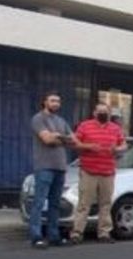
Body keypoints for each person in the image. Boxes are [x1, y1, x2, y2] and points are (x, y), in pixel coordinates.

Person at [28, 92, 86, 248]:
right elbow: (47, 140)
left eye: (58, 101)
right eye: (52, 101)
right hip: (44, 166)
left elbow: (74, 141)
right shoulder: (38, 119)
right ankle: (36, 236)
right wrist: (63, 138)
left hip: (60, 167)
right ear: (44, 102)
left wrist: (58, 137)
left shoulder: (61, 121)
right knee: (39, 202)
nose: (56, 103)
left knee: (55, 204)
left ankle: (54, 236)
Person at [70, 103, 127, 244]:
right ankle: (77, 233)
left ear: (109, 114)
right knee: (84, 203)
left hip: (107, 171)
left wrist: (118, 149)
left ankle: (104, 233)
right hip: (89, 170)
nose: (103, 114)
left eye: (105, 112)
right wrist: (89, 146)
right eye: (100, 111)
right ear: (94, 113)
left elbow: (124, 144)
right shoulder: (84, 126)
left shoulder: (115, 128)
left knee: (105, 203)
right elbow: (74, 143)